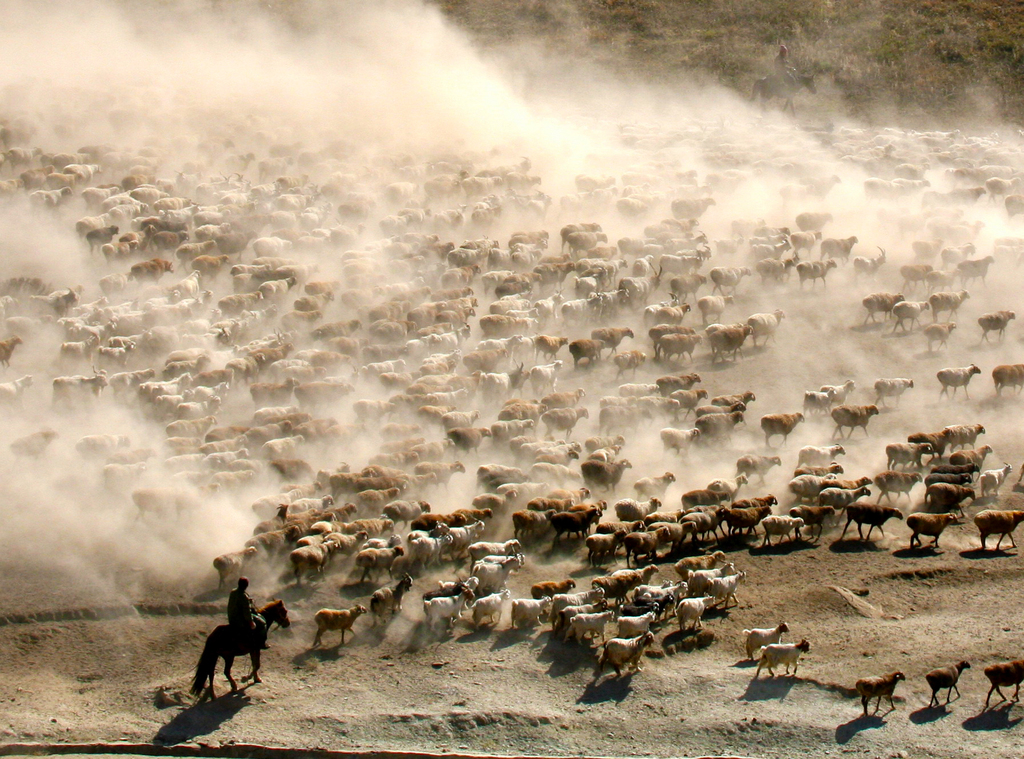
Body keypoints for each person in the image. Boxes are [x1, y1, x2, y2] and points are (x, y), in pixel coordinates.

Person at [227, 577, 269, 650]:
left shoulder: (233, 592)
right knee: (263, 623)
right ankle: (262, 643)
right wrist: (251, 622)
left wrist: (248, 600)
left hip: (231, 618)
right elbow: (247, 612)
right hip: (240, 620)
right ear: (246, 586)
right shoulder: (244, 596)